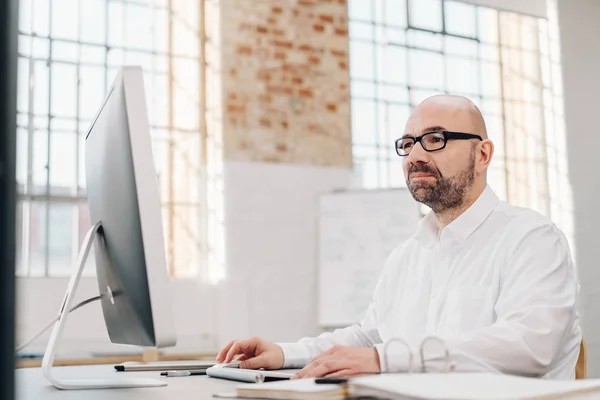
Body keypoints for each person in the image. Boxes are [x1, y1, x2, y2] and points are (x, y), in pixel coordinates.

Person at [216, 94, 582, 380]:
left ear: (482, 154)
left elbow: (529, 346)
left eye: (435, 138)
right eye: (408, 144)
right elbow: (368, 337)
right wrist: (283, 353)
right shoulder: (406, 256)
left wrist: (382, 359)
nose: (416, 155)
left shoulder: (532, 240)